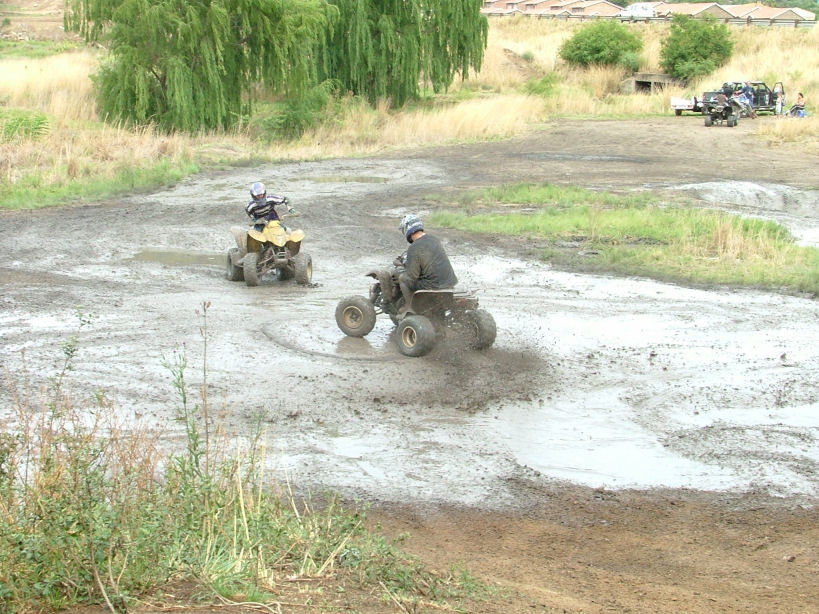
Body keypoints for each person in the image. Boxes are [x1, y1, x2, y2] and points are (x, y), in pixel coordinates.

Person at [397, 214, 458, 314]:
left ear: (407, 229)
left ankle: (409, 307)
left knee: (403, 279)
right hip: (449, 282)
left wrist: (405, 264)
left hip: (432, 285)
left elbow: (412, 275)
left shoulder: (414, 247)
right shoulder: (434, 239)